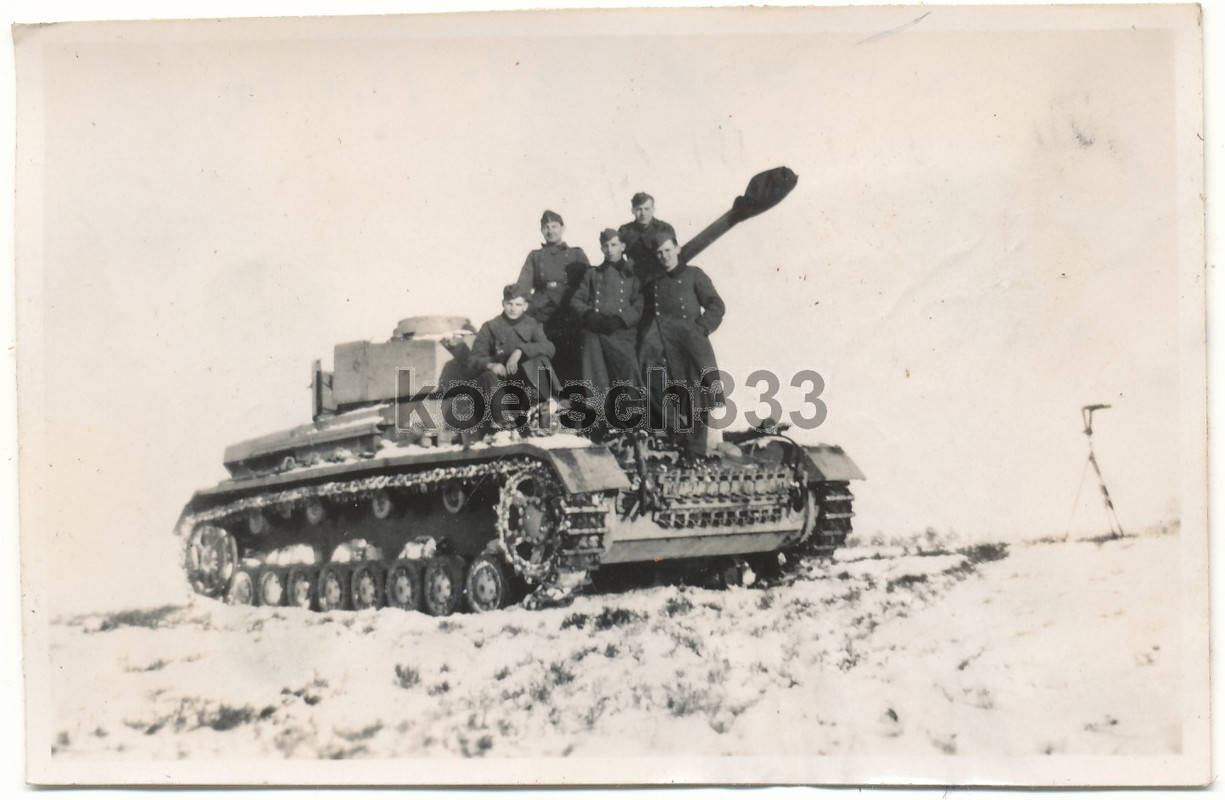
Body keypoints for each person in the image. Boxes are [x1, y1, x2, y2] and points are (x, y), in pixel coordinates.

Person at [638, 235, 725, 459]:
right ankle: (677, 438)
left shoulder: (694, 275)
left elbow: (716, 305)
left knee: (698, 396)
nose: (664, 256)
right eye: (660, 253)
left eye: (667, 250)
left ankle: (695, 449)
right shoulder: (655, 284)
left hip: (692, 345)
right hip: (665, 346)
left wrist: (701, 328)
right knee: (656, 388)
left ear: (676, 248)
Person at [570, 229, 643, 418]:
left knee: (628, 372)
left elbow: (639, 304)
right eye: (605, 246)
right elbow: (576, 300)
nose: (609, 250)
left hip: (621, 332)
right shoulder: (592, 274)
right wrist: (590, 315)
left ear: (622, 247)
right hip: (595, 330)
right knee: (594, 374)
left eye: (614, 245)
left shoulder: (632, 274)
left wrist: (620, 320)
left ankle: (632, 418)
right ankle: (599, 418)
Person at [513, 210, 590, 386]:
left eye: (554, 226)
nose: (550, 231)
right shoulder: (535, 256)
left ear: (562, 228)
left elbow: (588, 283)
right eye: (546, 227)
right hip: (542, 307)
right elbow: (523, 285)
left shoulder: (576, 254)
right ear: (541, 230)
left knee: (573, 348)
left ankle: (573, 392)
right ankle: (546, 392)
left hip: (568, 307)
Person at [469, 285, 559, 429]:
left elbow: (549, 347)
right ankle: (502, 421)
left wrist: (520, 350)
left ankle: (544, 407)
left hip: (525, 380)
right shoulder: (491, 326)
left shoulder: (532, 325)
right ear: (503, 303)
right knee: (487, 375)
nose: (513, 308)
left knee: (540, 360)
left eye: (518, 304)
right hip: (500, 382)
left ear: (525, 306)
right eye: (509, 304)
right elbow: (474, 358)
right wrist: (491, 365)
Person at [618, 192, 677, 286]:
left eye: (647, 209)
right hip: (636, 282)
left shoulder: (665, 229)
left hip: (662, 279)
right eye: (639, 209)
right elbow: (616, 256)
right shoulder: (625, 231)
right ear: (632, 210)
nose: (643, 213)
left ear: (653, 210)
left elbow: (674, 257)